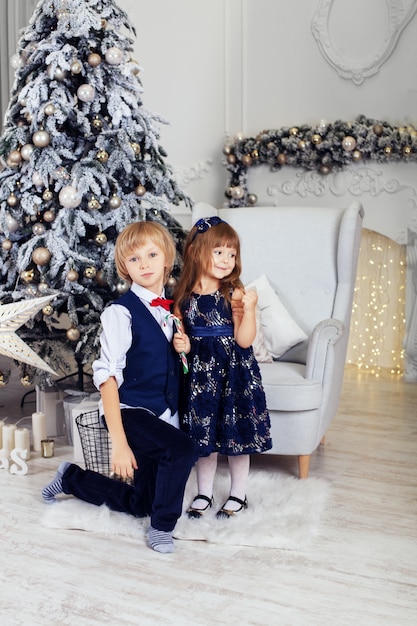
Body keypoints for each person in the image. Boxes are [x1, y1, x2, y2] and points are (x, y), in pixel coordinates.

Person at [42, 221, 197, 554]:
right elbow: (108, 381)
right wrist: (119, 443)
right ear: (124, 268)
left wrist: (182, 349)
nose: (145, 264)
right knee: (182, 449)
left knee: (140, 502)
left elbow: (168, 364)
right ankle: (162, 528)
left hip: (160, 414)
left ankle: (71, 478)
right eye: (135, 259)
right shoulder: (120, 313)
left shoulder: (169, 310)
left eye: (152, 255)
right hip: (128, 411)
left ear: (167, 260)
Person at [172, 216, 272, 520]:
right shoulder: (183, 298)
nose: (227, 260)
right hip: (201, 378)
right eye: (219, 252)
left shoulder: (234, 293)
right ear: (195, 251)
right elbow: (182, 336)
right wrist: (184, 345)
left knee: (236, 437)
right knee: (206, 439)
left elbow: (244, 341)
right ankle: (204, 492)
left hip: (233, 374)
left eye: (232, 254)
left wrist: (250, 309)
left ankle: (238, 494)